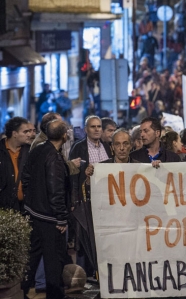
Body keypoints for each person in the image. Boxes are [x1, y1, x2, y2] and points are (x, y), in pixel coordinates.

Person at [21, 120, 71, 299]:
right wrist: (61, 218)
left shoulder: (38, 149)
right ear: (64, 136)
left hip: (34, 213)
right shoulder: (54, 158)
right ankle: (55, 295)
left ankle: (21, 291)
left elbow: (25, 177)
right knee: (53, 261)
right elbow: (56, 191)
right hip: (49, 219)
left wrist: (31, 201)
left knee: (32, 257)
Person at [69, 115, 112, 201]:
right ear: (86, 129)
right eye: (93, 127)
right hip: (87, 197)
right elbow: (73, 176)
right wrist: (74, 201)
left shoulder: (106, 146)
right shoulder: (78, 147)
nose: (96, 129)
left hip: (106, 194)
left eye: (99, 126)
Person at [0, 117, 32, 211]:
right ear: (14, 134)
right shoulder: (1, 151)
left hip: (25, 207)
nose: (29, 135)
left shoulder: (30, 151)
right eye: (25, 132)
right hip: (4, 209)